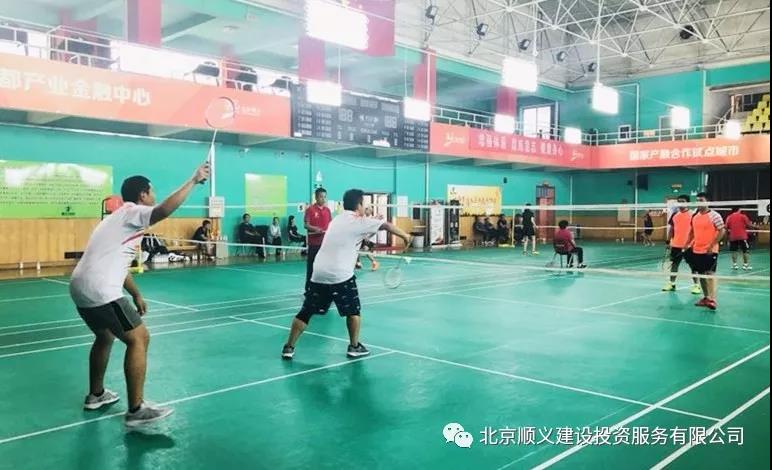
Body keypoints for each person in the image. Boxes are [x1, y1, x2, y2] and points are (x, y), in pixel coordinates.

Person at [69, 162, 209, 426]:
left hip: (79, 287)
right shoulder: (134, 212)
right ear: (143, 195)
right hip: (101, 290)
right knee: (139, 338)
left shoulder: (115, 219)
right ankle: (136, 410)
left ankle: (96, 395)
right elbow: (163, 210)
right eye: (152, 191)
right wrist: (193, 180)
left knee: (104, 336)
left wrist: (136, 295)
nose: (154, 195)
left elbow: (118, 265)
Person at [281, 189, 411, 360]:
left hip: (318, 272)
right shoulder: (359, 221)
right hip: (340, 275)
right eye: (364, 204)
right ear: (359, 205)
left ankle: (288, 347)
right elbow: (386, 226)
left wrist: (372, 222)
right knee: (353, 311)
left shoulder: (337, 219)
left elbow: (359, 232)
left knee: (306, 312)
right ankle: (354, 346)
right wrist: (405, 236)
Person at [685, 193, 726, 311]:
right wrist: (687, 244)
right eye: (697, 200)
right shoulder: (694, 216)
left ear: (707, 202)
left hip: (710, 251)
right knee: (701, 274)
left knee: (710, 274)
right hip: (696, 250)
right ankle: (706, 297)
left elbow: (722, 231)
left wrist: (712, 245)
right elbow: (692, 232)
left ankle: (712, 299)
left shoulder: (715, 215)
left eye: (701, 200)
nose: (699, 202)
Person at [662, 195, 701, 294]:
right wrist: (668, 241)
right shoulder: (675, 215)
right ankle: (672, 284)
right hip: (676, 245)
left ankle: (696, 286)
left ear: (687, 203)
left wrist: (694, 242)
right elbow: (671, 229)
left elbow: (696, 230)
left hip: (689, 246)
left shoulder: (693, 214)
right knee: (674, 265)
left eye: (682, 201)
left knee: (693, 267)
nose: (680, 203)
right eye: (679, 201)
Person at [304, 188, 332, 290]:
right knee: (312, 268)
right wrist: (315, 229)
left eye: (324, 197)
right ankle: (308, 290)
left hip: (325, 244)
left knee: (325, 268)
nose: (323, 199)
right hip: (314, 244)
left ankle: (323, 290)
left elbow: (330, 225)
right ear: (316, 197)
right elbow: (306, 225)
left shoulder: (327, 210)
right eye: (321, 197)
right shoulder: (310, 210)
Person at [356, 207, 380, 271]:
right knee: (357, 250)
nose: (365, 211)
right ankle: (358, 263)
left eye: (367, 210)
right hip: (363, 238)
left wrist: (368, 237)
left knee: (365, 250)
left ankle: (375, 262)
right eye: (365, 209)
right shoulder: (364, 218)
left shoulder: (373, 219)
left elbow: (375, 231)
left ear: (370, 211)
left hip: (370, 239)